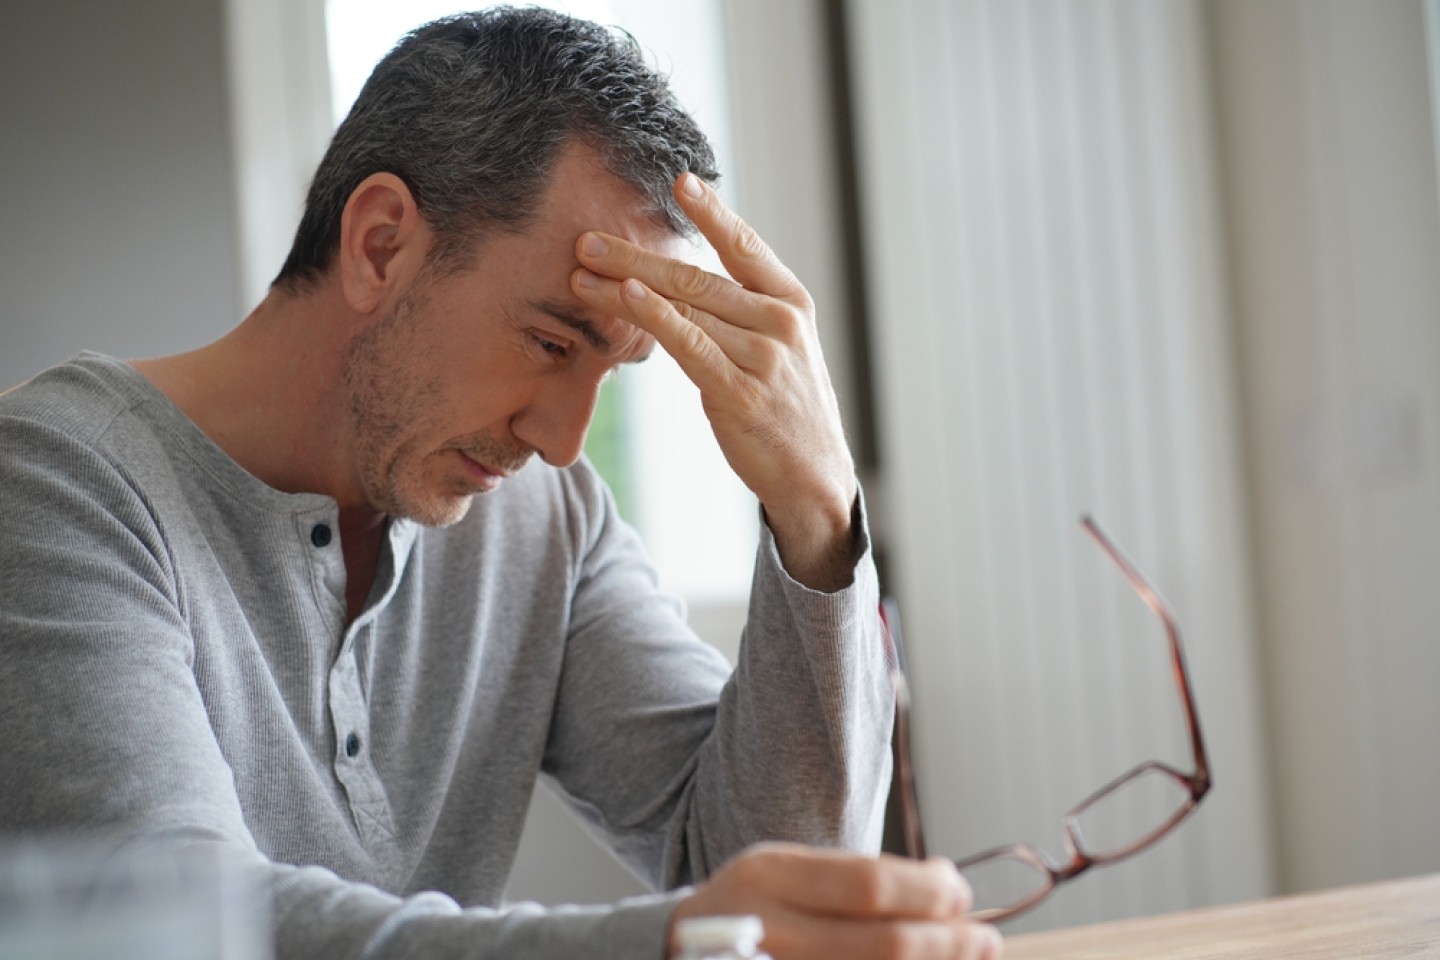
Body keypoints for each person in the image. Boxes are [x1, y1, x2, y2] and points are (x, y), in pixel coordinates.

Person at [0, 8, 999, 960]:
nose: (564, 443)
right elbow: (179, 926)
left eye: (609, 371)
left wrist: (819, 513)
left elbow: (773, 881)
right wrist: (657, 944)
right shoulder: (54, 486)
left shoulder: (541, 520)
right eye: (549, 340)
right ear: (380, 244)